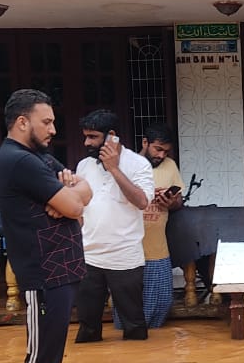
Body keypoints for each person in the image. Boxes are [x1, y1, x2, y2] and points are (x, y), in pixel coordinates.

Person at [0, 88, 93, 363]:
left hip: (60, 268)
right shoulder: (18, 160)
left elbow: (85, 189)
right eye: (46, 122)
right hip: (44, 271)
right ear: (23, 122)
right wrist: (69, 200)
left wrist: (70, 196)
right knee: (42, 353)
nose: (53, 130)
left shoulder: (39, 157)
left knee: (53, 347)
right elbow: (77, 207)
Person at [74, 110, 155, 344]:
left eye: (92, 137)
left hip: (125, 259)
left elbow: (141, 202)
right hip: (89, 258)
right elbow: (79, 206)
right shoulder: (83, 166)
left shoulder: (138, 164)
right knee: (87, 329)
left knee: (134, 328)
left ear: (111, 136)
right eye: (86, 136)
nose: (86, 142)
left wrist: (114, 169)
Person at [138, 122, 184, 328]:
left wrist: (170, 202)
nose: (162, 155)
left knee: (162, 303)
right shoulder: (128, 165)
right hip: (131, 253)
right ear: (145, 142)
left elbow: (179, 202)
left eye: (166, 151)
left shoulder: (170, 166)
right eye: (158, 149)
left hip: (159, 250)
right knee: (134, 310)